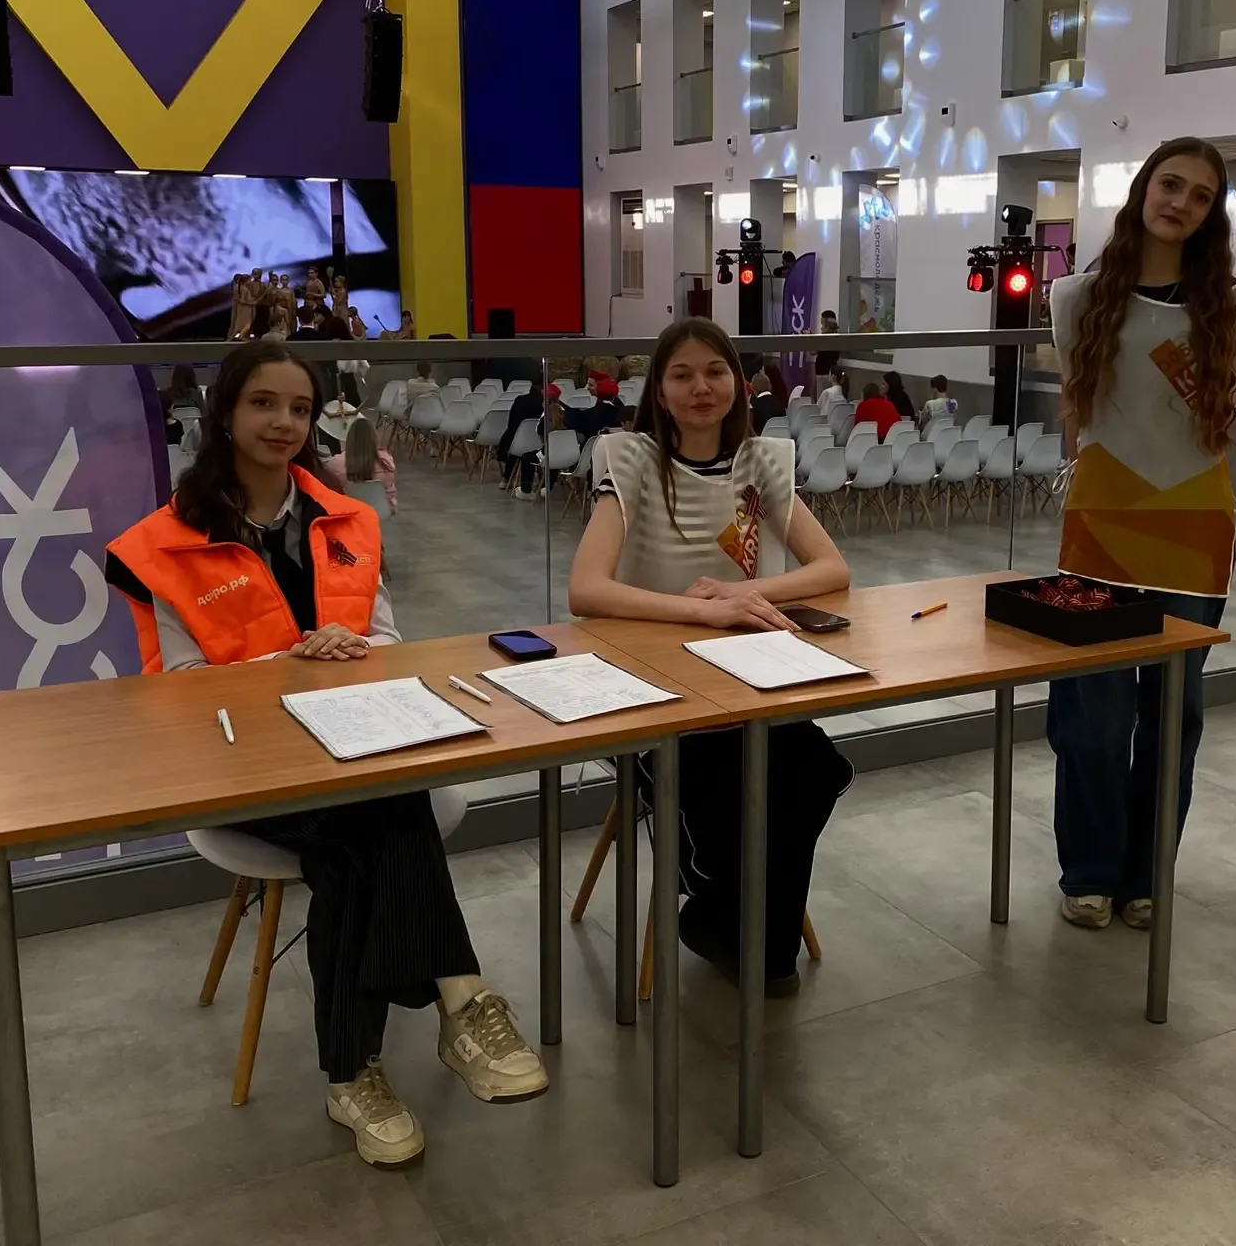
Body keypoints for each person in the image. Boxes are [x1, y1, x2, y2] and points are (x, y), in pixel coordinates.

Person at [103, 341, 546, 1167]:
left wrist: (358, 646)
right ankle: (459, 994)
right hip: (243, 768)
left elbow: (387, 641)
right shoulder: (161, 545)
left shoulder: (346, 519)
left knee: (358, 829)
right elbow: (181, 691)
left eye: (300, 409)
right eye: (264, 404)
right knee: (378, 815)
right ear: (225, 414)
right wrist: (291, 662)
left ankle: (352, 1075)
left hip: (355, 747)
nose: (284, 422)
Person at [567, 319, 853, 994]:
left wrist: (742, 593)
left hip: (748, 681)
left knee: (810, 769)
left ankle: (732, 930)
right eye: (682, 374)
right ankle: (753, 942)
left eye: (715, 371)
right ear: (659, 391)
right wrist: (702, 610)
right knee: (726, 784)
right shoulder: (630, 460)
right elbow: (585, 589)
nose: (701, 387)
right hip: (653, 689)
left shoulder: (761, 461)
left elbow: (832, 568)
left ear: (738, 383)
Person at [1045, 137, 1236, 931]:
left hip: (1193, 529)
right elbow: (1080, 418)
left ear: (1213, 214)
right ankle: (1089, 871)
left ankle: (1147, 877)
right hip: (1100, 525)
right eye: (1170, 184)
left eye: (1200, 195)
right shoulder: (1078, 297)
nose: (1180, 202)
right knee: (1092, 714)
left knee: (1172, 716)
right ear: (1144, 188)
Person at [324, 413, 399, 511]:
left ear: (350, 438)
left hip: (349, 512)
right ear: (374, 438)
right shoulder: (386, 461)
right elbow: (391, 490)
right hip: (381, 511)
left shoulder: (337, 463)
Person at [160, 364, 206, 445]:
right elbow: (203, 414)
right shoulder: (197, 394)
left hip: (173, 440)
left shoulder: (167, 394)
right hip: (194, 438)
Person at [815, 309, 841, 376]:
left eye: (823, 325)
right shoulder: (835, 337)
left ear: (828, 326)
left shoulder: (829, 339)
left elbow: (813, 351)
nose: (821, 328)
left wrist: (809, 338)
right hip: (824, 373)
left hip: (825, 374)